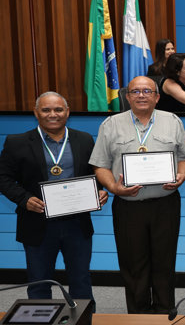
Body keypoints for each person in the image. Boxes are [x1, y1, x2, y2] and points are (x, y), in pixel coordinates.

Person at [89, 75, 185, 313]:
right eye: (135, 92)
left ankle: (166, 312)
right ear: (127, 97)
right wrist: (113, 188)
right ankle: (138, 315)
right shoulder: (110, 124)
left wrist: (181, 176)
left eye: (147, 91)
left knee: (165, 262)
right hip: (128, 206)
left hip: (165, 204)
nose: (141, 95)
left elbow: (184, 158)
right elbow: (100, 165)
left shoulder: (173, 121)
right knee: (133, 264)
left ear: (157, 97)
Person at [0, 91, 107, 300]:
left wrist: (101, 190)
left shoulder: (83, 140)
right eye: (46, 110)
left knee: (81, 278)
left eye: (58, 109)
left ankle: (84, 323)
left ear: (67, 112)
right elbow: (3, 178)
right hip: (37, 221)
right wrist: (24, 199)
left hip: (77, 222)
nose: (53, 114)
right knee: (39, 280)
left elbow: (96, 172)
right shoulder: (17, 142)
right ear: (36, 112)